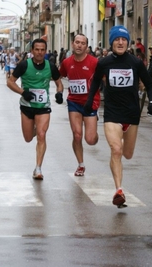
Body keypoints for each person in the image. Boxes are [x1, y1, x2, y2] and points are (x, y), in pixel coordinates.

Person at [83, 26, 152, 208]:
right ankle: (119, 190)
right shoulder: (104, 63)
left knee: (128, 154)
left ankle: (120, 146)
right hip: (112, 113)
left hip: (131, 114)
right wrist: (88, 102)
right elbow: (94, 85)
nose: (120, 42)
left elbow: (150, 85)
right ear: (111, 42)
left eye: (124, 39)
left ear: (128, 42)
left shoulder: (136, 63)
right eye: (117, 39)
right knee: (116, 150)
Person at [7, 38, 64, 180]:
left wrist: (59, 93)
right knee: (27, 138)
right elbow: (10, 82)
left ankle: (38, 168)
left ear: (45, 51)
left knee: (42, 135)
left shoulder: (50, 66)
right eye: (37, 49)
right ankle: (34, 129)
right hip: (27, 106)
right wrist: (23, 92)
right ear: (32, 51)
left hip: (43, 107)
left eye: (42, 50)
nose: (39, 52)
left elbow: (59, 83)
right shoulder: (24, 65)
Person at [59, 34, 100, 177]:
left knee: (90, 140)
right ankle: (81, 164)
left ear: (86, 46)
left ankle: (95, 134)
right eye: (77, 42)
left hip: (90, 103)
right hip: (74, 102)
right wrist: (58, 91)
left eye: (83, 43)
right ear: (72, 44)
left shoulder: (94, 62)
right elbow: (60, 76)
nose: (79, 45)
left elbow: (104, 79)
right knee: (77, 136)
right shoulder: (66, 62)